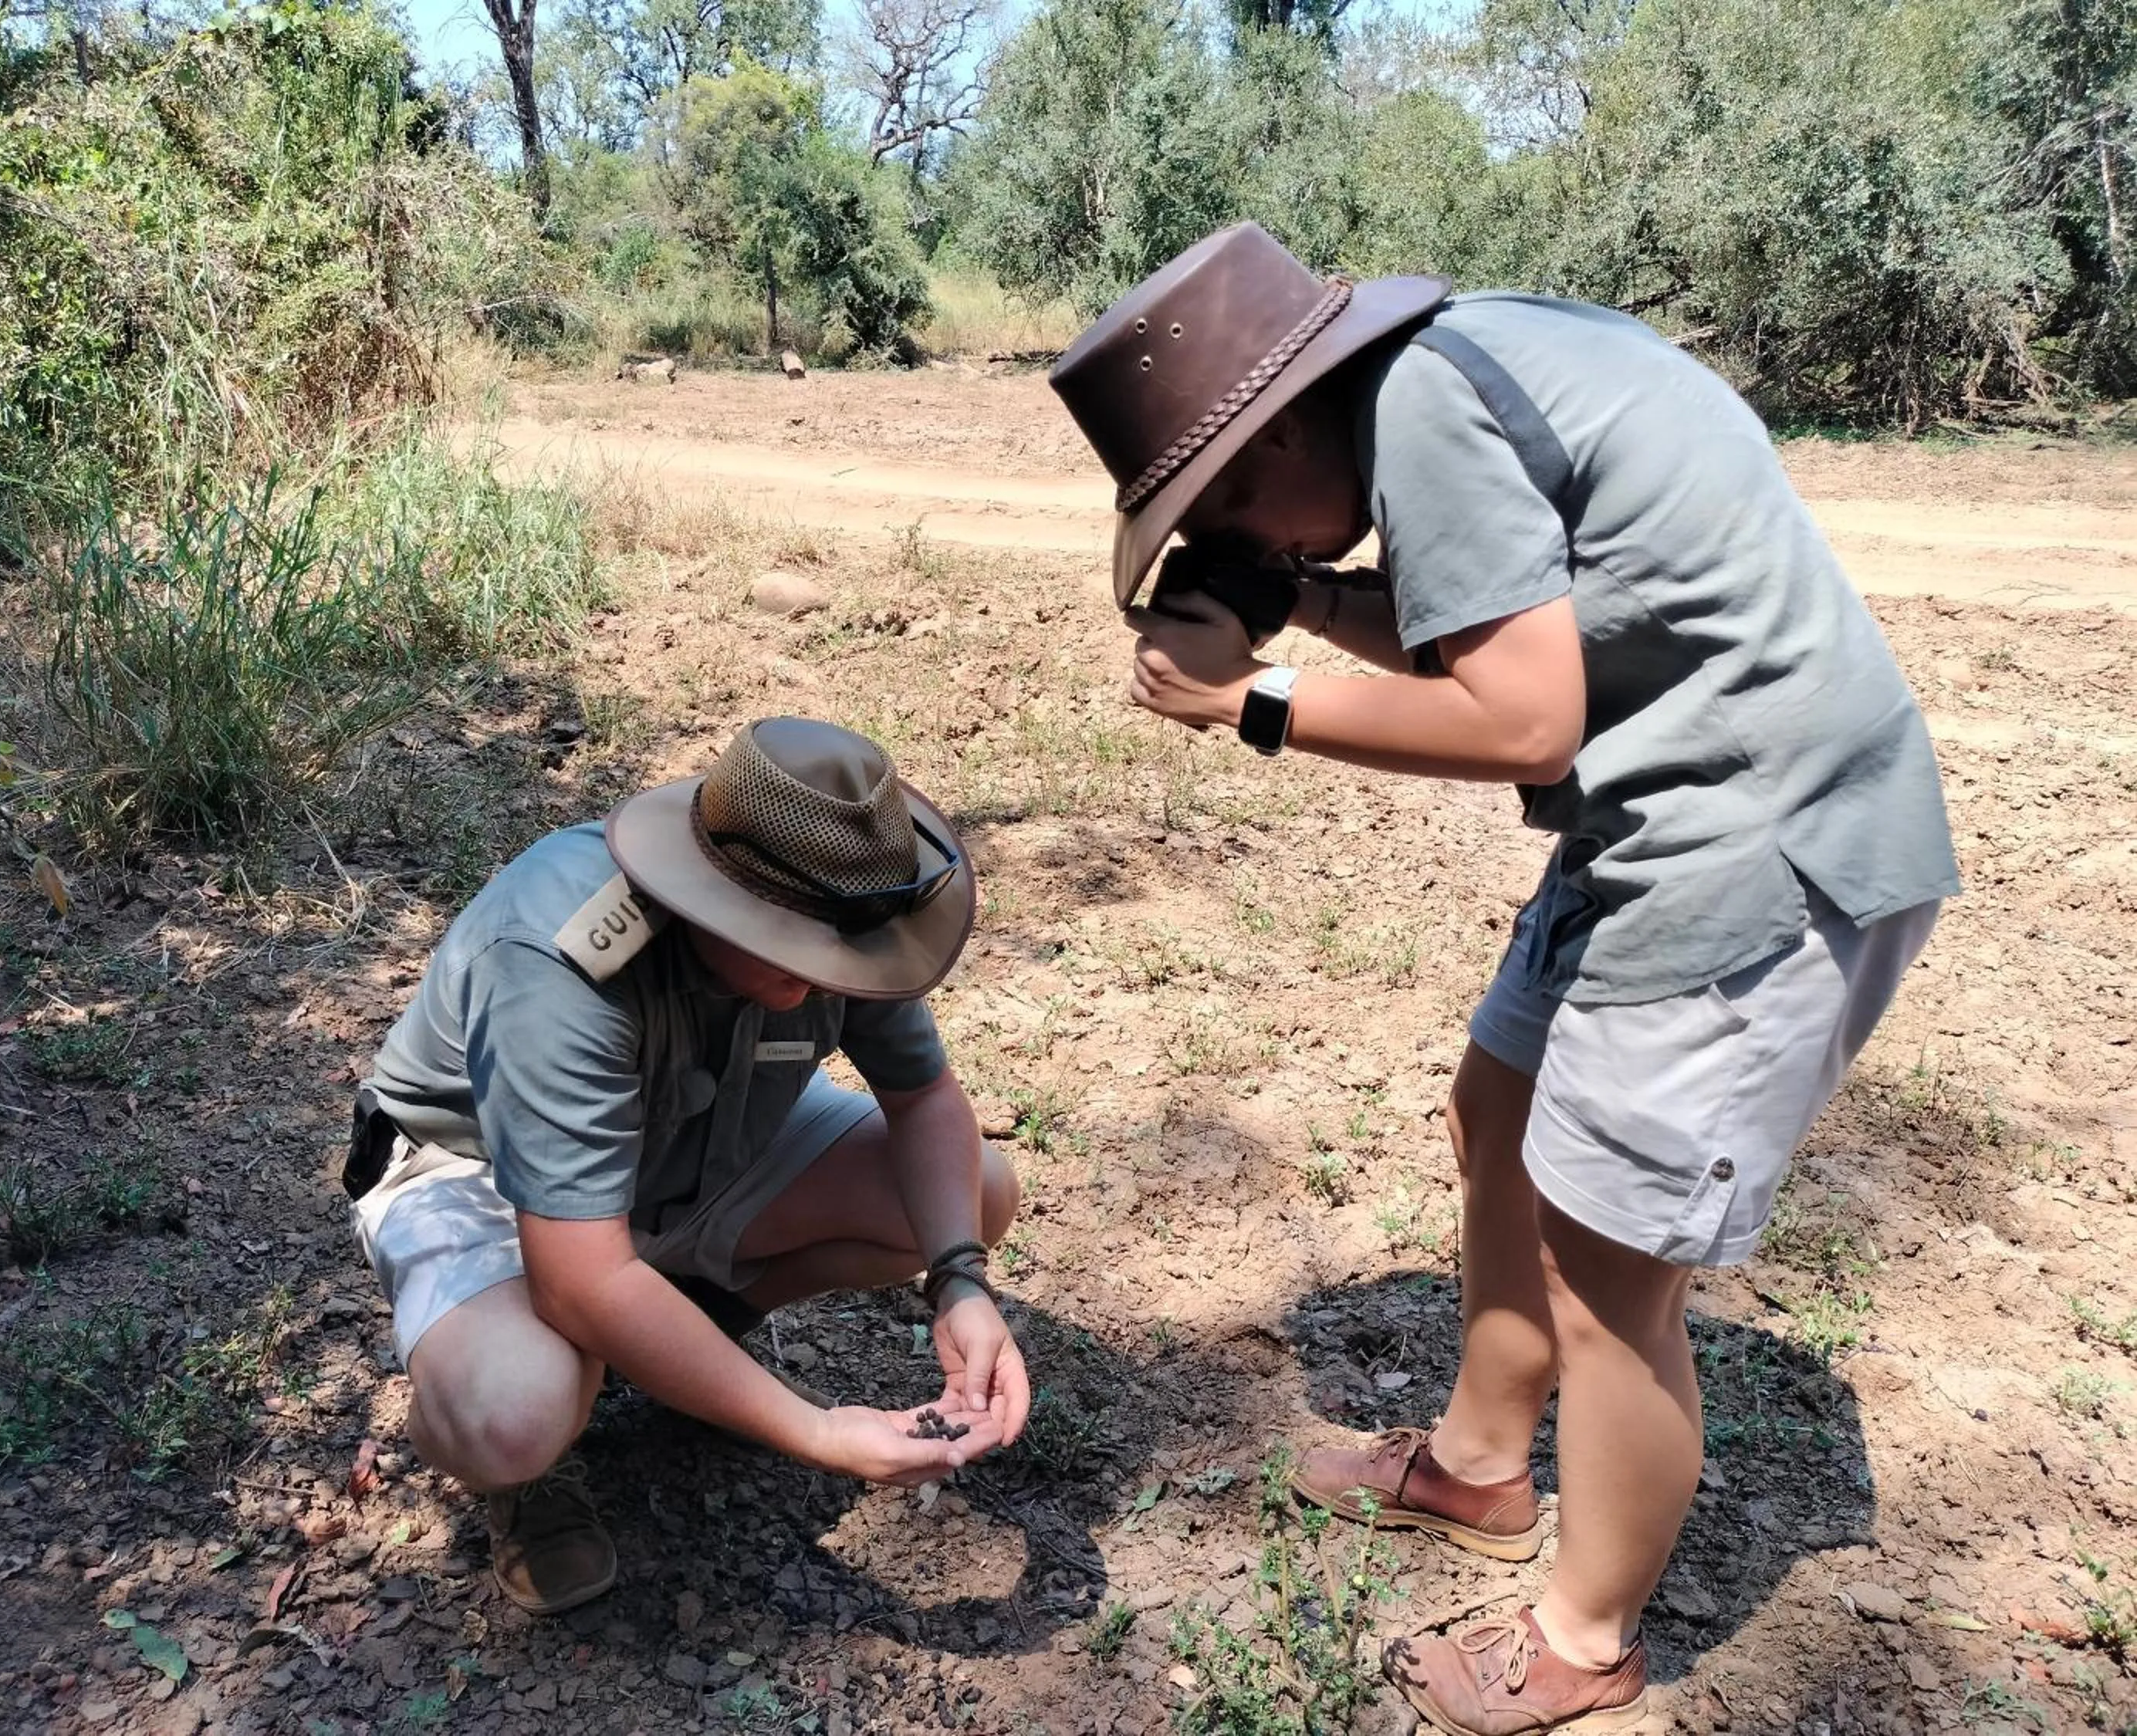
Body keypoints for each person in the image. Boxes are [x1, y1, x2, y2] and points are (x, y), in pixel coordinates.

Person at [1048, 224, 1956, 1734]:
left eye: (1236, 511)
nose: (1267, 544)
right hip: (1659, 811)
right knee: (1501, 1110)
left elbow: (1526, 718)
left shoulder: (1422, 417)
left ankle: (1586, 1638)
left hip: (1754, 837)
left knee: (1611, 1274)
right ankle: (1477, 1465)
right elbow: (1512, 622)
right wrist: (1309, 609)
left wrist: (1253, 705)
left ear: (1281, 422)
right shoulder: (1448, 366)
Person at [343, 718, 1029, 1616]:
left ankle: (681, 1341)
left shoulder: (853, 904)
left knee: (973, 1194)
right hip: (477, 1169)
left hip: (694, 1141)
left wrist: (960, 1281)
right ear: (710, 895)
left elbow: (923, 1099)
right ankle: (532, 1464)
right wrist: (817, 1432)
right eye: (798, 955)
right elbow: (580, 1281)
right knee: (514, 1412)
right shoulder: (559, 957)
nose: (828, 982)